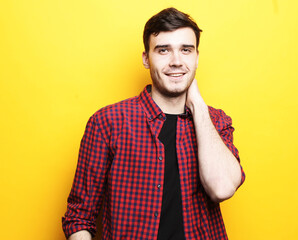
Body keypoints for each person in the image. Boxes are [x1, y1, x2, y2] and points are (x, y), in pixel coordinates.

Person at [62, 7, 245, 240]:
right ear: (146, 59)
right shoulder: (108, 123)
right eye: (163, 50)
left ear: (197, 57)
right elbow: (80, 217)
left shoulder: (216, 122)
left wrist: (198, 106)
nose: (176, 61)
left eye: (186, 50)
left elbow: (221, 188)